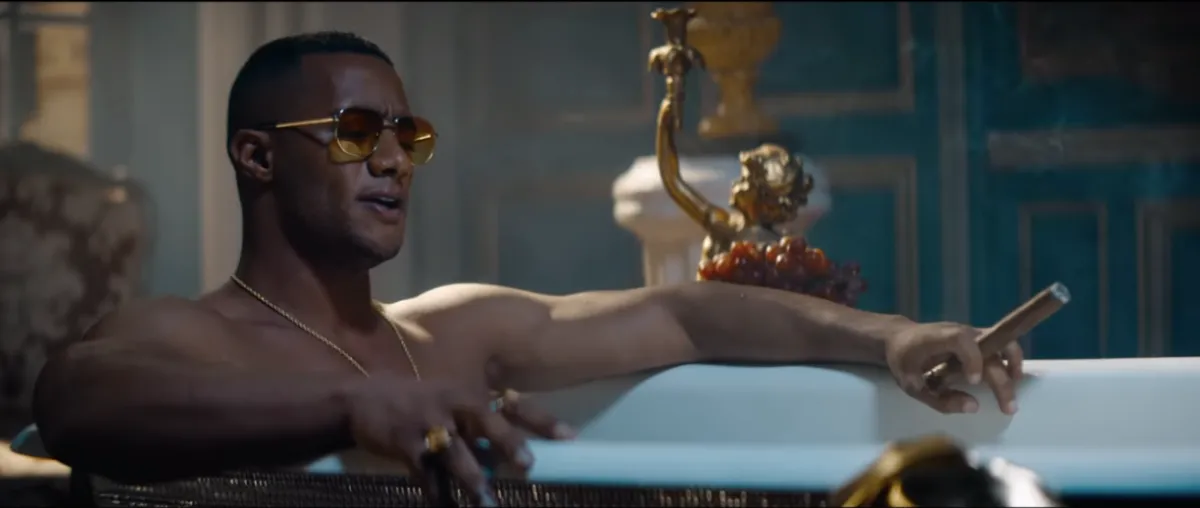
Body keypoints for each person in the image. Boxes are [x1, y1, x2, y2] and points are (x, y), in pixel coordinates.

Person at [31, 32, 1023, 505]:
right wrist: (348, 405)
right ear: (257, 156)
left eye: (408, 135)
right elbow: (75, 402)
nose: (393, 159)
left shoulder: (449, 333)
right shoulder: (192, 335)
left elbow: (689, 316)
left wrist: (893, 337)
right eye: (357, 131)